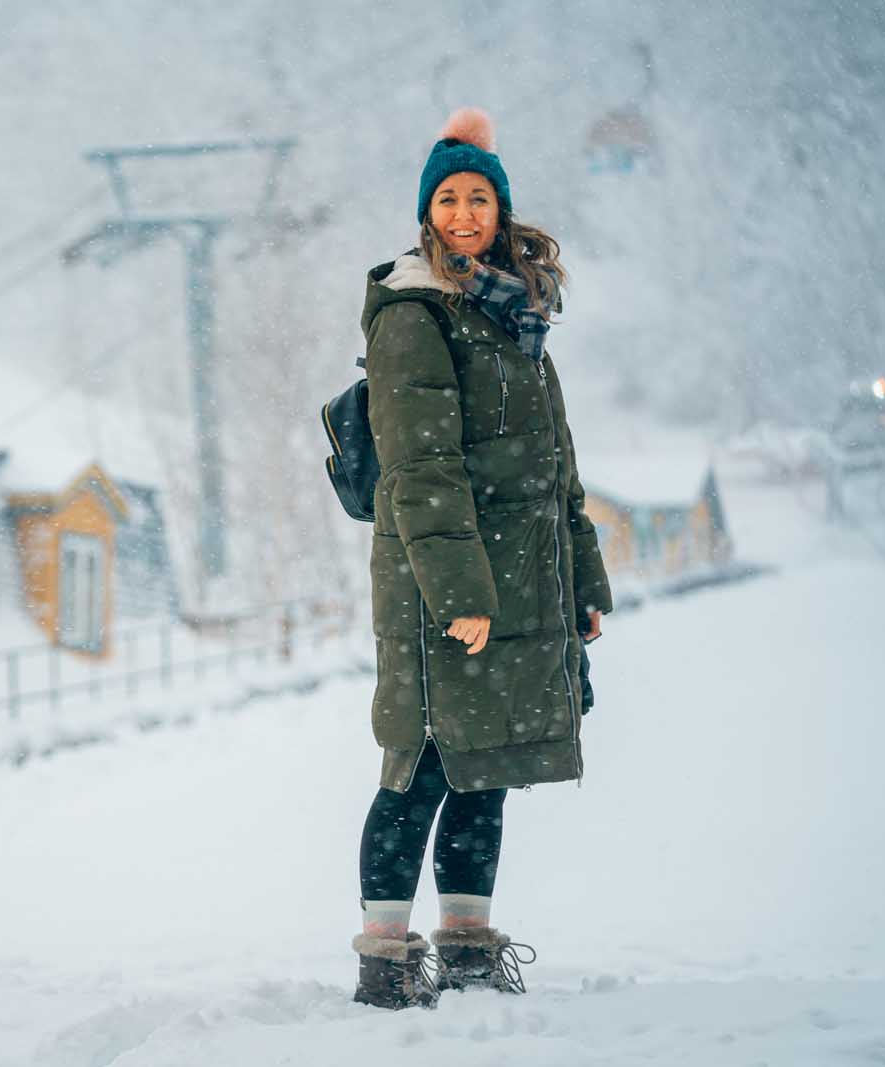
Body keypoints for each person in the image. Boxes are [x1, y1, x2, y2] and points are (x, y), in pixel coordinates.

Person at [349, 107, 612, 1010]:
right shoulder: (411, 309)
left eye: (480, 197)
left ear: (502, 209)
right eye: (450, 199)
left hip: (521, 574)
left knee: (487, 762)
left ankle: (466, 945)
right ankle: (385, 962)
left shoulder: (516, 309)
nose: (466, 213)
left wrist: (584, 581)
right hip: (444, 581)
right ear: (428, 212)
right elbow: (422, 465)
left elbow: (557, 466)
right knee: (420, 766)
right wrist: (462, 589)